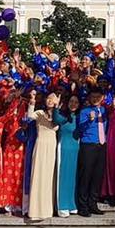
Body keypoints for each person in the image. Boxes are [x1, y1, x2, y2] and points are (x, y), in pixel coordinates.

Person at [27, 91, 59, 220]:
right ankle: (36, 210)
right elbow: (30, 115)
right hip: (40, 144)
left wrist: (56, 109)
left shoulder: (59, 115)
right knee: (38, 175)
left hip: (52, 145)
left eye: (53, 98)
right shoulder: (39, 113)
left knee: (49, 176)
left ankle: (48, 209)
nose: (50, 100)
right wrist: (32, 101)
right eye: (48, 98)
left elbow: (58, 123)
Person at [76, 90, 107, 217]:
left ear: (102, 98)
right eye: (93, 96)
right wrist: (89, 120)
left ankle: (93, 203)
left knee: (97, 176)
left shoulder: (104, 111)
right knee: (86, 176)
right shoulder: (84, 111)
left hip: (102, 145)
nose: (95, 98)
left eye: (98, 96)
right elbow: (80, 129)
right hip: (88, 145)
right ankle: (82, 206)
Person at [54, 93, 80, 217]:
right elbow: (56, 118)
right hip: (64, 147)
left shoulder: (80, 117)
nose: (73, 104)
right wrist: (56, 107)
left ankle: (71, 204)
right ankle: (62, 205)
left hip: (76, 149)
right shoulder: (63, 117)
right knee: (63, 176)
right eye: (71, 101)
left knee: (73, 177)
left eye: (76, 102)